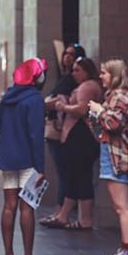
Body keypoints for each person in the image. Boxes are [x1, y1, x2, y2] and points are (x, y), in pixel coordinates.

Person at [0, 58, 48, 255]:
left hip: (8, 158)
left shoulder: (8, 96)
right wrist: (41, 167)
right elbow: (36, 135)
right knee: (27, 207)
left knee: (9, 205)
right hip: (28, 159)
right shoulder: (35, 99)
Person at [88, 59, 128, 255]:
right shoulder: (117, 95)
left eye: (104, 73)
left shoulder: (120, 96)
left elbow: (113, 123)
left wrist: (99, 111)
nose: (101, 77)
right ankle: (125, 248)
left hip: (118, 155)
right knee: (120, 206)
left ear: (114, 75)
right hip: (112, 152)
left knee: (122, 207)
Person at [41, 57, 102, 230]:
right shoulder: (89, 86)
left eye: (77, 70)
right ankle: (73, 216)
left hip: (81, 136)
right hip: (80, 136)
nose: (74, 73)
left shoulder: (87, 86)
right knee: (76, 176)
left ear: (87, 71)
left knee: (80, 177)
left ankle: (84, 219)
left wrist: (62, 107)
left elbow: (83, 109)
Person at [42, 43, 86, 222]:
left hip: (64, 130)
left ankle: (62, 212)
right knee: (63, 171)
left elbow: (58, 100)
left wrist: (49, 103)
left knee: (65, 172)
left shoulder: (71, 81)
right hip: (57, 128)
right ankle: (60, 211)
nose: (67, 56)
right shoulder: (64, 77)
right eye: (66, 53)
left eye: (72, 54)